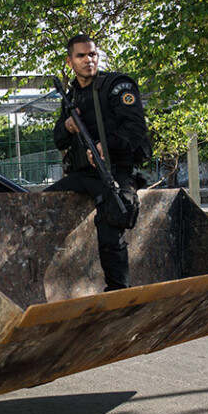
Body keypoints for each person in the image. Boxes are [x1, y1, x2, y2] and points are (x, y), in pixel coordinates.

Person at [45, 34, 151, 292]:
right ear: (70, 62)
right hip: (84, 175)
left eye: (92, 54)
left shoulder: (116, 86)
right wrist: (68, 126)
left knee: (111, 231)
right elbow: (59, 139)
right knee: (42, 206)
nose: (88, 60)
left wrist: (107, 146)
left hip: (115, 172)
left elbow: (136, 129)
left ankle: (118, 293)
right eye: (81, 56)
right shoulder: (71, 97)